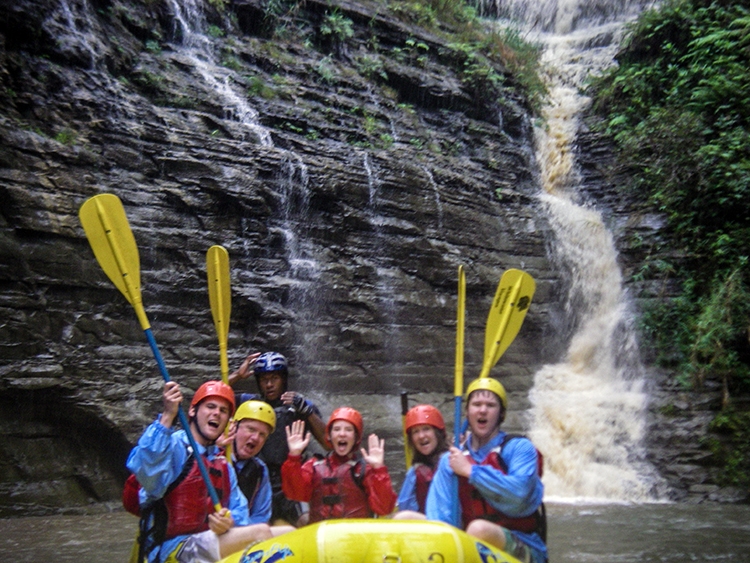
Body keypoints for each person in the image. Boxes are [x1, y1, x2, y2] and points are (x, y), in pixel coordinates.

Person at [126, 380, 286, 563]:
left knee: (286, 532)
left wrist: (228, 522)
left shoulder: (223, 464)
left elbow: (240, 515)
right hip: (172, 549)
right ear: (193, 411)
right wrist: (168, 416)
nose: (217, 413)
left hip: (204, 542)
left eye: (223, 411)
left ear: (227, 422)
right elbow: (147, 473)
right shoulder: (176, 445)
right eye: (210, 406)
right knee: (260, 532)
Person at [425, 378, 547, 563]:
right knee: (406, 519)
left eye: (490, 405)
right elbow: (439, 517)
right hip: (467, 545)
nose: (483, 410)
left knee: (478, 530)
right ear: (468, 412)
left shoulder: (519, 448)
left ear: (501, 414)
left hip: (523, 548)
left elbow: (520, 495)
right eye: (476, 404)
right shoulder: (450, 460)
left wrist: (471, 471)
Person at [228, 351, 328, 527]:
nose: (269, 384)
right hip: (256, 478)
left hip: (290, 481)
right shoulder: (248, 403)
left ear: (284, 379)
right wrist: (236, 376)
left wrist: (307, 411)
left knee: (306, 521)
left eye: (274, 378)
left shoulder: (300, 405)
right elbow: (209, 399)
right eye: (264, 380)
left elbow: (328, 443)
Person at [281, 407, 398, 522]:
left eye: (348, 430)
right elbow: (295, 494)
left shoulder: (363, 469)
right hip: (323, 536)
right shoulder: (314, 465)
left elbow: (384, 508)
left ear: (356, 437)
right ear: (329, 436)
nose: (342, 434)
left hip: (355, 536)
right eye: (336, 429)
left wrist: (378, 469)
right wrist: (294, 457)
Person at [392, 404, 450, 519]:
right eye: (415, 432)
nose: (421, 436)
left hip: (454, 526)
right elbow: (404, 505)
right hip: (429, 528)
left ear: (437, 433)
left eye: (426, 429)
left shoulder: (453, 460)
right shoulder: (414, 472)